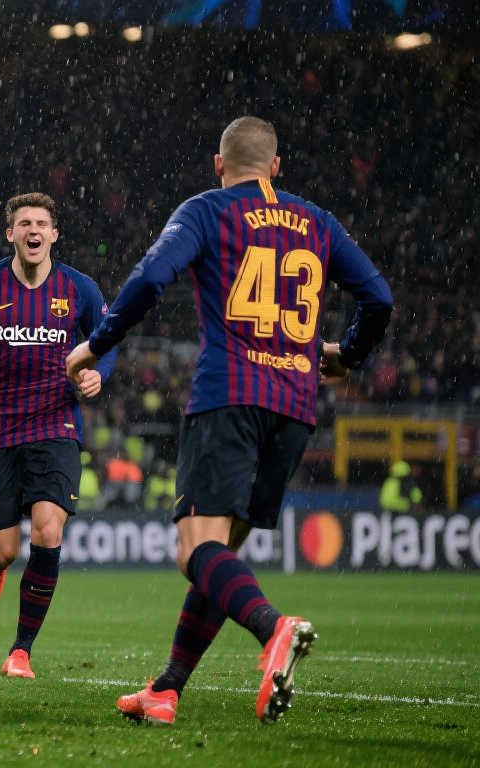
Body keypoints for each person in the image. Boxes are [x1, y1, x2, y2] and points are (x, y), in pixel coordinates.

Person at [66, 117, 393, 724]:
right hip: (295, 408)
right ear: (276, 166)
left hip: (230, 396)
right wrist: (346, 355)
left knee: (194, 552)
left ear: (220, 164)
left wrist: (96, 343)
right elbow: (380, 299)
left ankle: (274, 629)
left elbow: (151, 277)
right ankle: (166, 689)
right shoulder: (317, 221)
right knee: (220, 557)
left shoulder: (207, 210)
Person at [0, 192, 116, 679]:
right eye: (24, 223)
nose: (33, 231)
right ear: (11, 234)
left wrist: (98, 372)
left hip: (55, 425)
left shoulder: (79, 288)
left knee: (47, 530)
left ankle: (20, 650)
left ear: (54, 234)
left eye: (41, 223)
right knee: (2, 549)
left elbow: (107, 340)